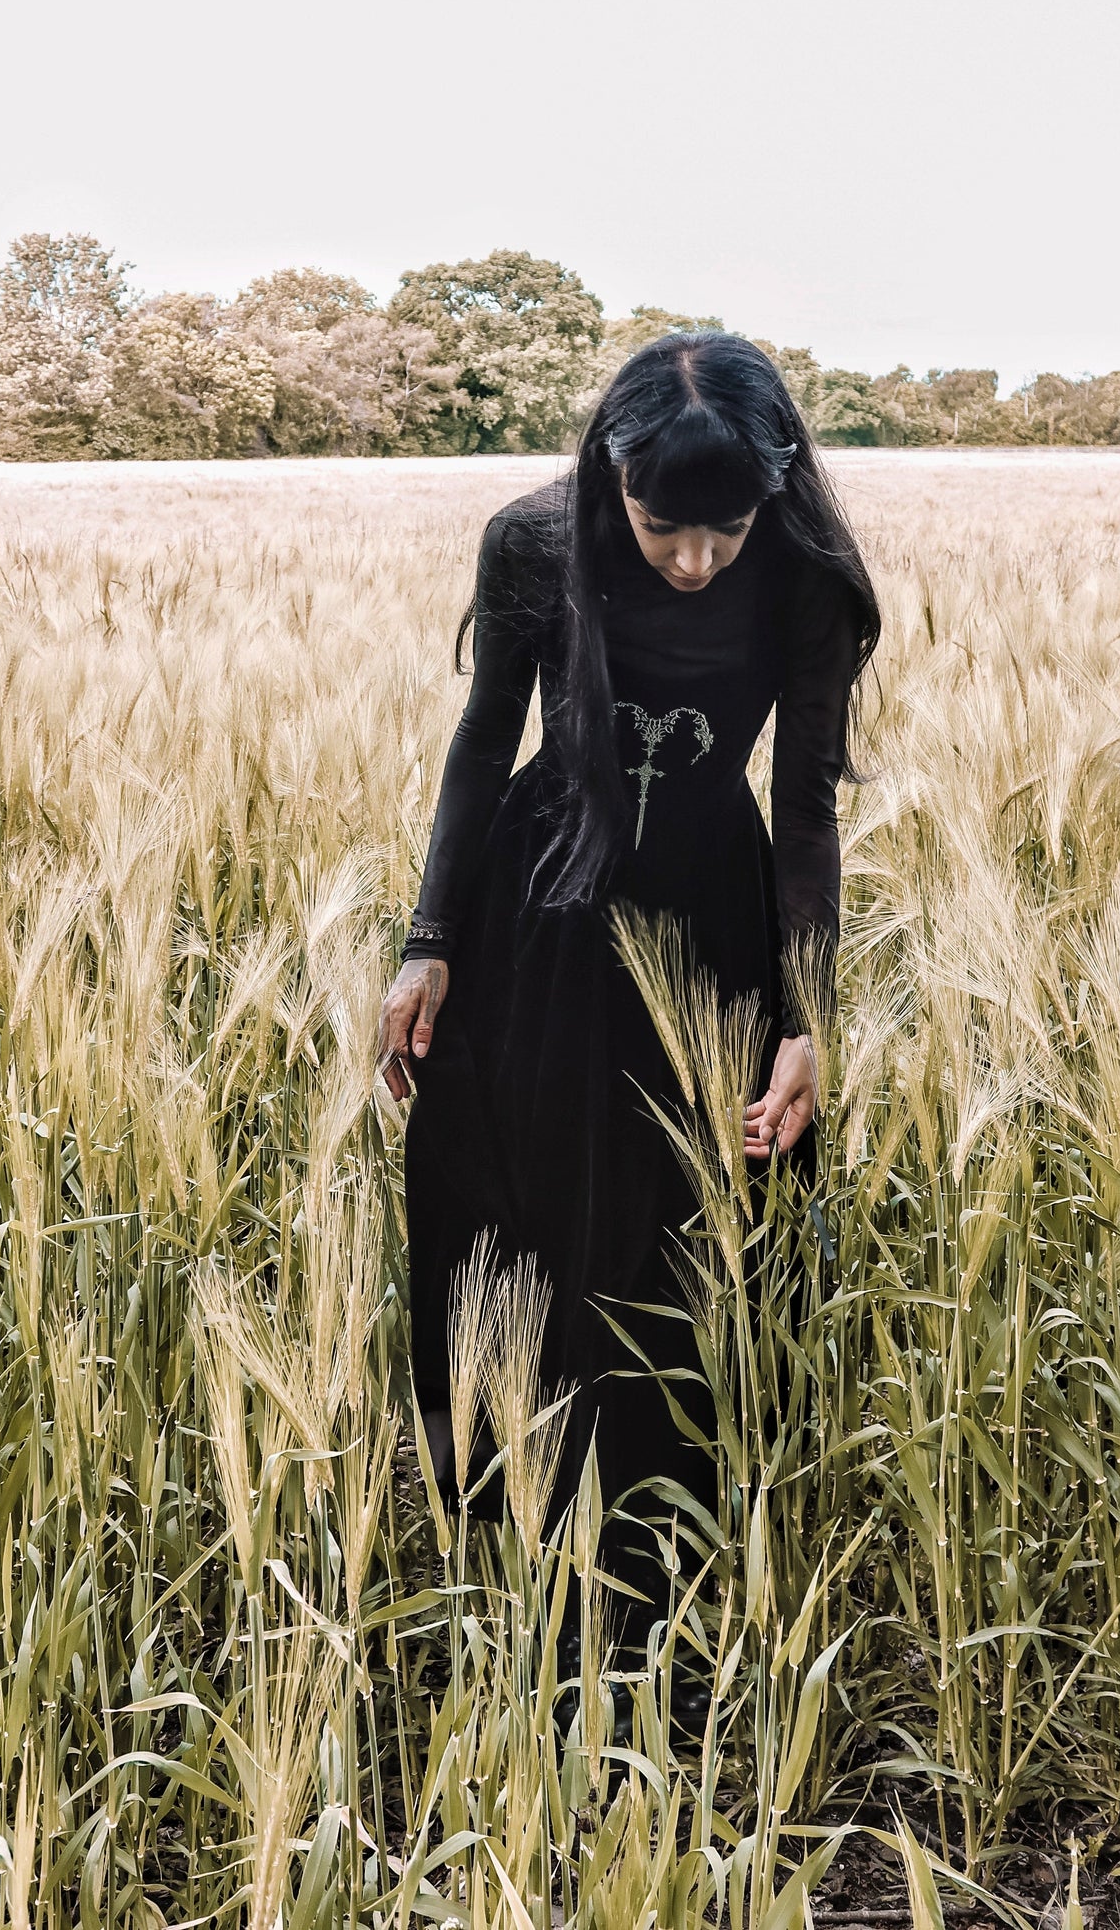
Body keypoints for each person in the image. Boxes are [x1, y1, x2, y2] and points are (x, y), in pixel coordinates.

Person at [377, 331, 880, 1554]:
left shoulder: (804, 570)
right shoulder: (535, 541)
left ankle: (669, 1522)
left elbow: (805, 802)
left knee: (691, 1212)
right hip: (541, 904)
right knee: (519, 1196)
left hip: (710, 920)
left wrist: (807, 1014)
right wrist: (428, 937)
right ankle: (512, 1506)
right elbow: (483, 737)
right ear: (613, 474)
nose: (698, 560)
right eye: (665, 529)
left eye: (727, 531)